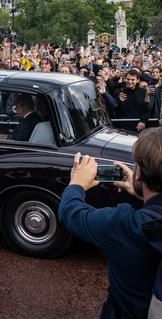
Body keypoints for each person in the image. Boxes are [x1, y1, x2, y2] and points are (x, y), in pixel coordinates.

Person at [58, 128, 162, 318]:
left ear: (139, 174)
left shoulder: (124, 224)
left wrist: (77, 184)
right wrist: (140, 192)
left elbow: (70, 212)